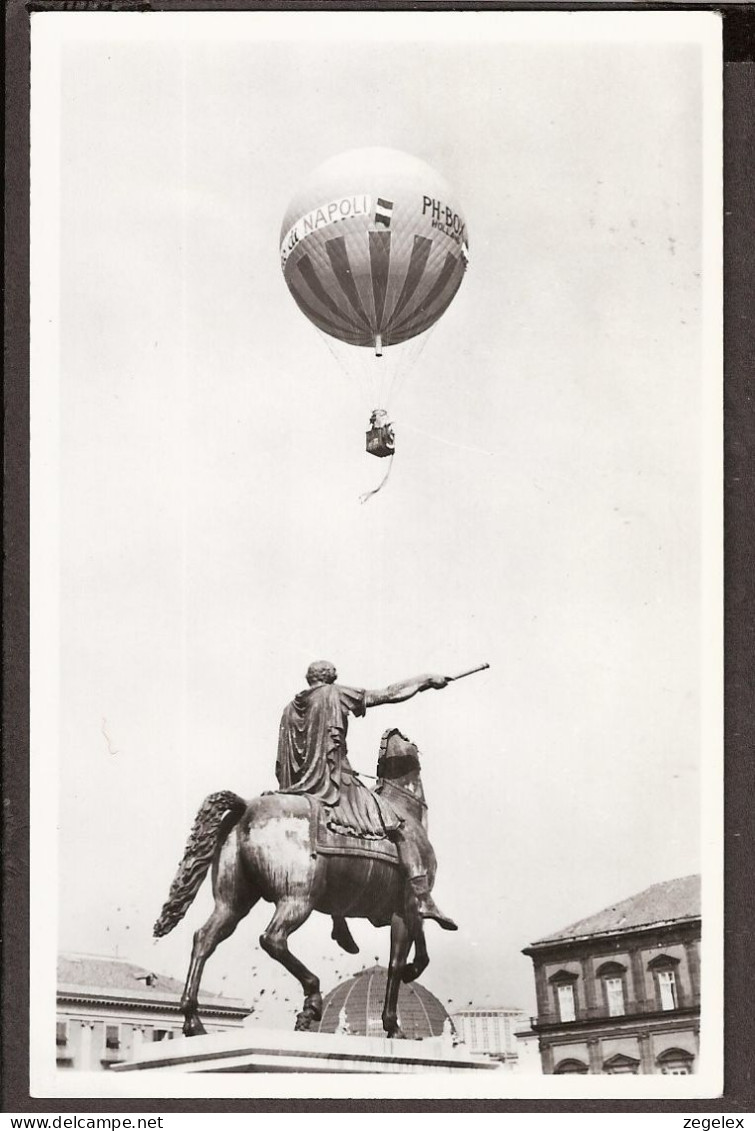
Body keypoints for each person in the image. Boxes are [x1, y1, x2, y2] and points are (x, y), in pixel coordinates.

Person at [276, 661, 457, 946]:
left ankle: (339, 920)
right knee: (398, 824)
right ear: (330, 676)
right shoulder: (334, 694)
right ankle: (422, 898)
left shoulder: (290, 708)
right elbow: (388, 693)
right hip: (333, 784)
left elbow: (281, 762)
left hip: (297, 790)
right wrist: (425, 680)